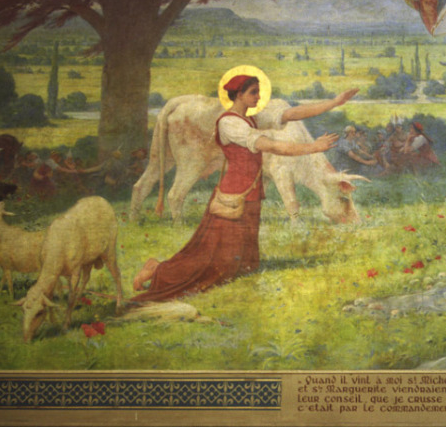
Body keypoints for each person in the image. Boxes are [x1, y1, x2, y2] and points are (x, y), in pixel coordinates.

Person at [131, 73, 352, 302]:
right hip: (234, 196)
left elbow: (291, 114)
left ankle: (167, 267)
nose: (259, 97)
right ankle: (157, 269)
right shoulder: (229, 123)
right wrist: (312, 147)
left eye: (258, 91)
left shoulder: (252, 117)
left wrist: (335, 102)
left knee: (246, 264)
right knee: (218, 266)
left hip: (251, 194)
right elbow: (271, 145)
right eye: (253, 92)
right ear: (239, 95)